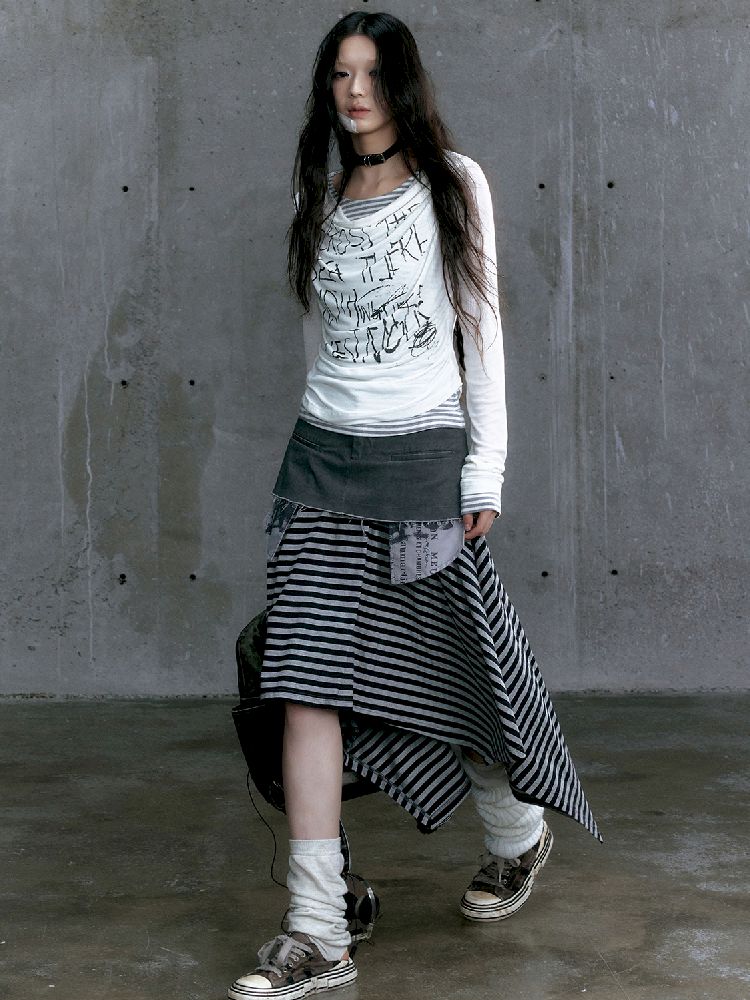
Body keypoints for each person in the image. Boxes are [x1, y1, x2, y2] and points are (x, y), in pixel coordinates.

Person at [228, 11, 600, 999]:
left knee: (451, 673)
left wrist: (486, 472)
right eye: (339, 74)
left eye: (371, 73)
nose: (354, 92)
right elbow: (320, 343)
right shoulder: (321, 196)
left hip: (425, 462)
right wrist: (316, 438)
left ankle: (517, 833)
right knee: (304, 684)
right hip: (323, 464)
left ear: (402, 83)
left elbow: (481, 328)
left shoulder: (452, 184)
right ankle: (318, 928)